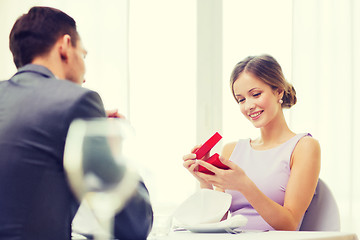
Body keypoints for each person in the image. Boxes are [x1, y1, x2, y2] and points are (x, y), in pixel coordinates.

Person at [0, 6, 153, 240]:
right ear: (65, 47)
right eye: (83, 54)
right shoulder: (79, 101)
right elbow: (135, 224)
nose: (85, 73)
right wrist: (107, 141)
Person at [183, 54, 321, 231]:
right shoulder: (231, 150)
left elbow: (290, 224)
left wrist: (244, 185)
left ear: (278, 91)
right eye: (241, 99)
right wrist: (205, 182)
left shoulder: (304, 147)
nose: (248, 106)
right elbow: (218, 224)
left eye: (255, 94)